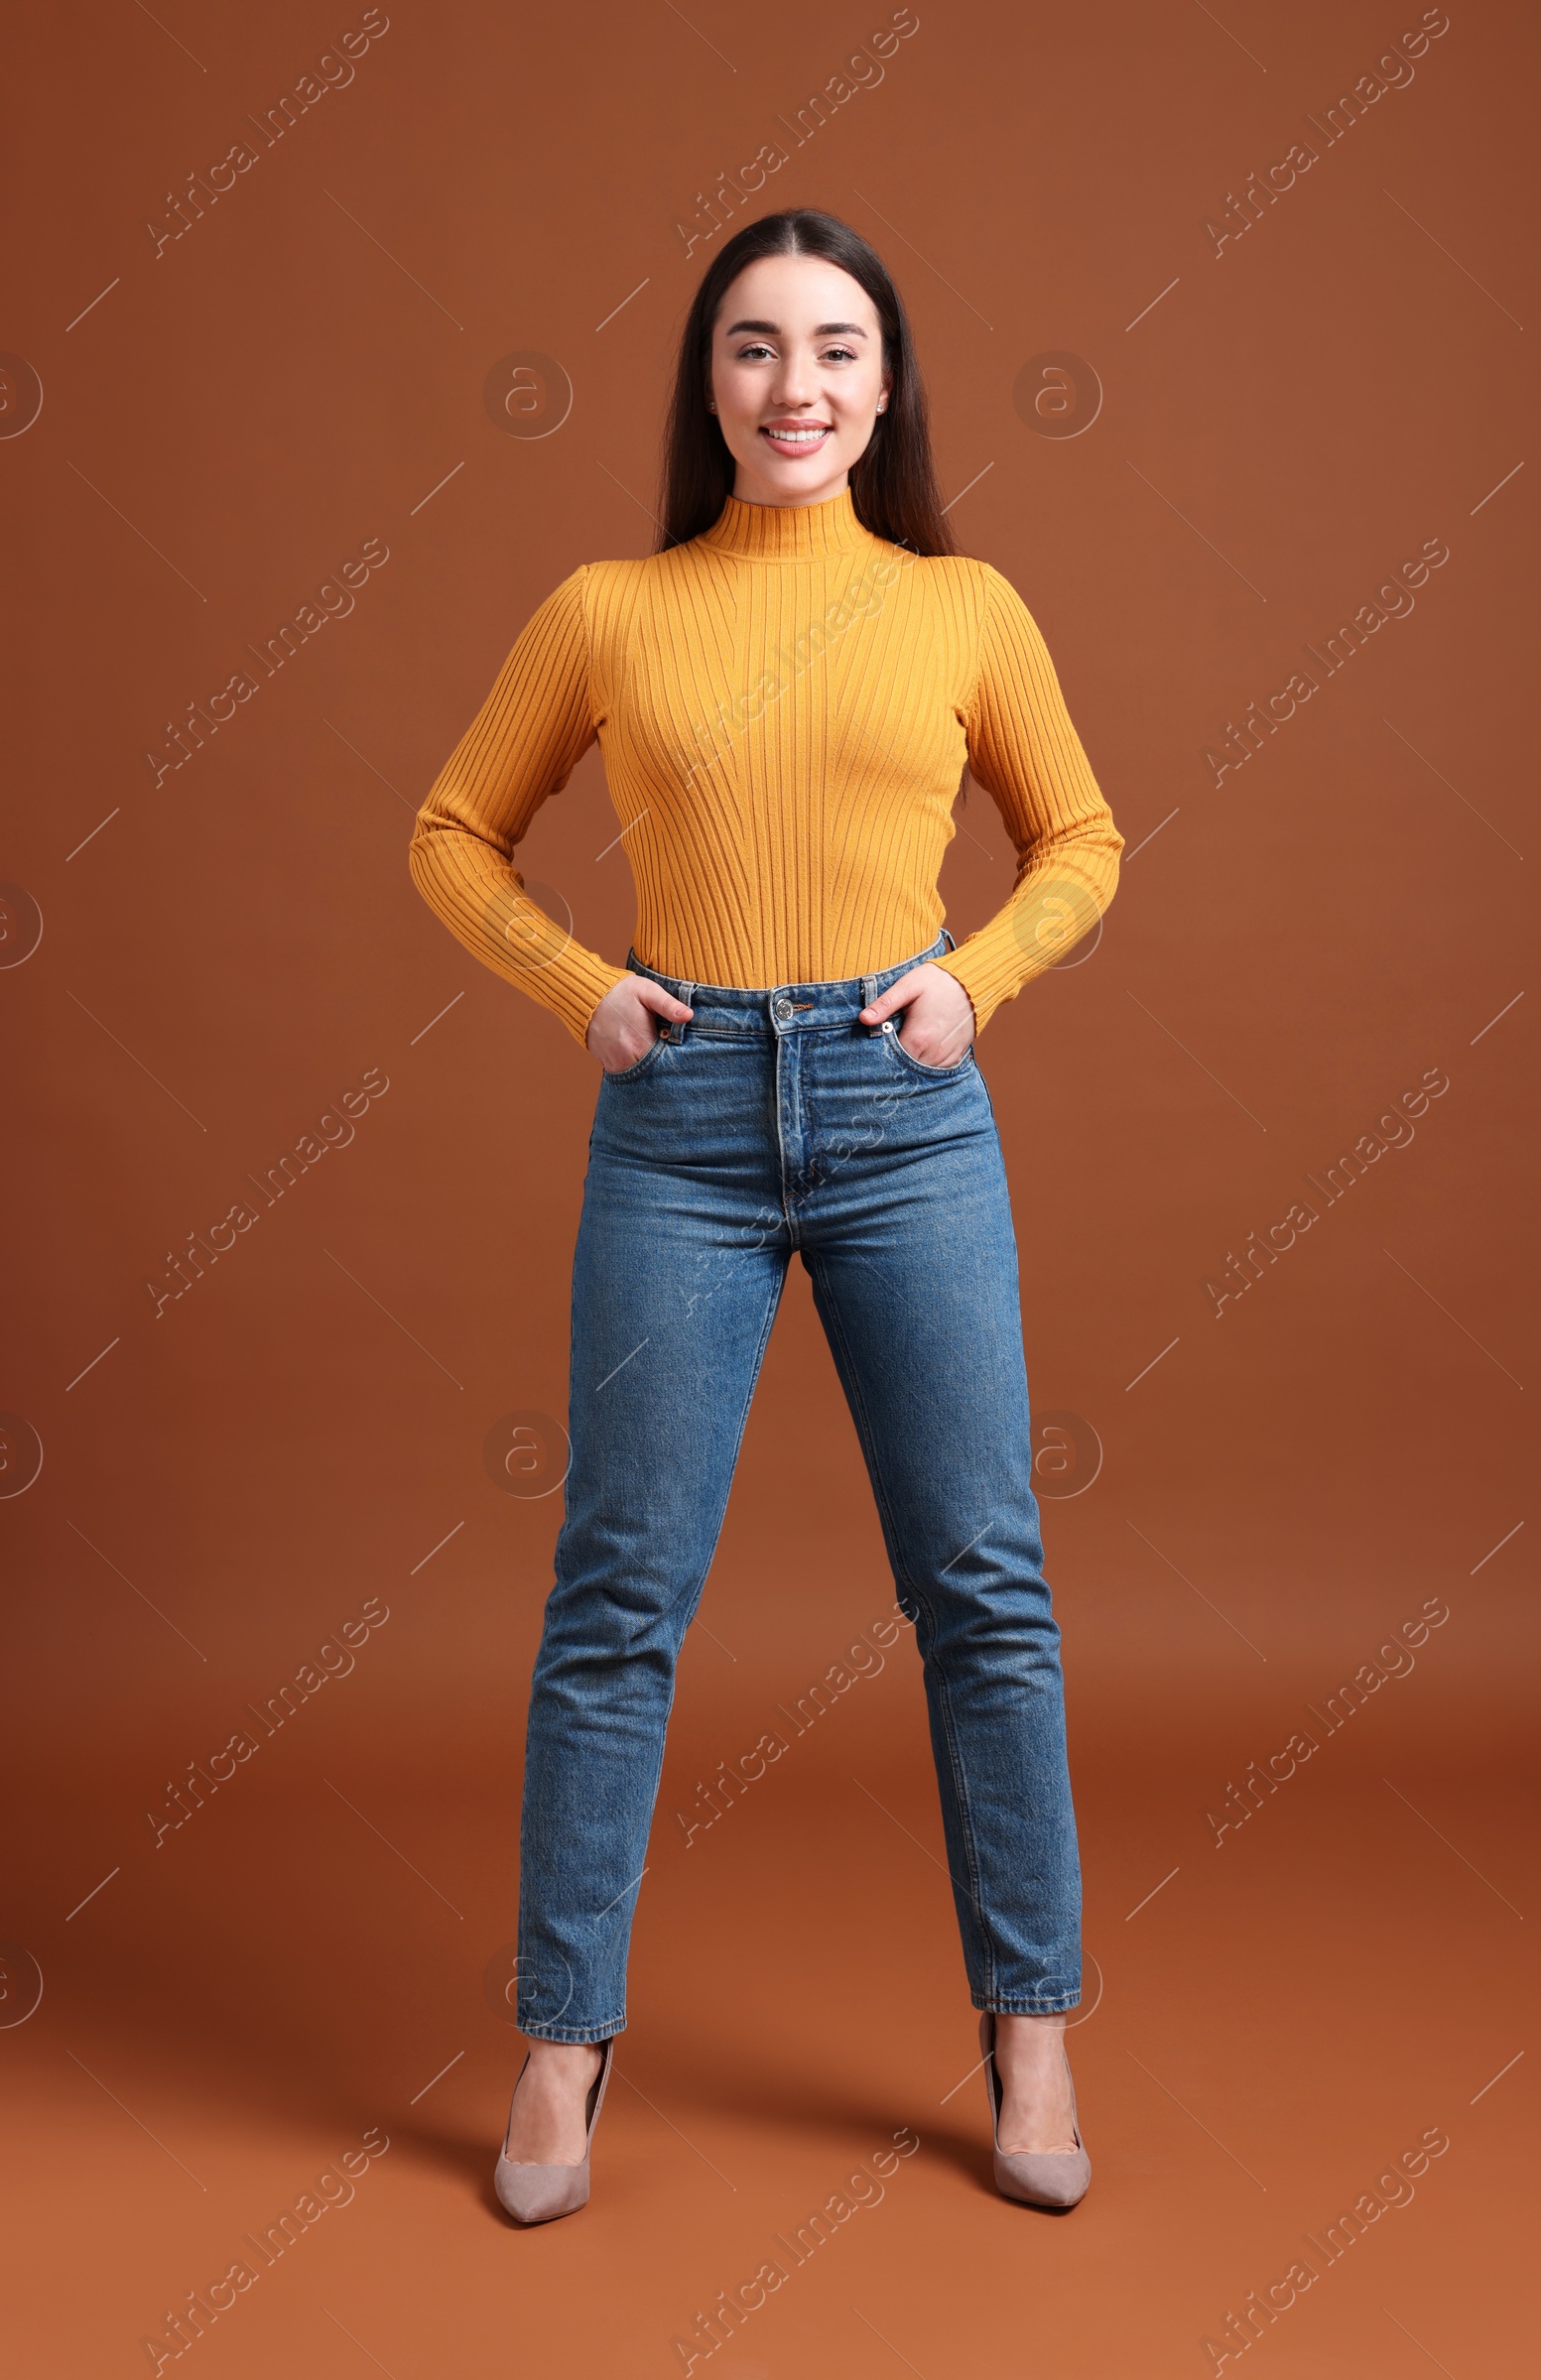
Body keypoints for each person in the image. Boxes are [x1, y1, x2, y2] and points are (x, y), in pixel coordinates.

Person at [408, 206, 1123, 2223]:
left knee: (980, 1587)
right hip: (683, 1118)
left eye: (830, 348)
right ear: (703, 382)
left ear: (883, 385)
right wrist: (580, 989)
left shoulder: (962, 605)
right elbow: (451, 831)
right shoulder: (607, 608)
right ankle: (559, 2049)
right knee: (615, 1599)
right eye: (749, 346)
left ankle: (1033, 2024)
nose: (790, 386)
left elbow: (1076, 836)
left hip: (906, 1114)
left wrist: (970, 982)